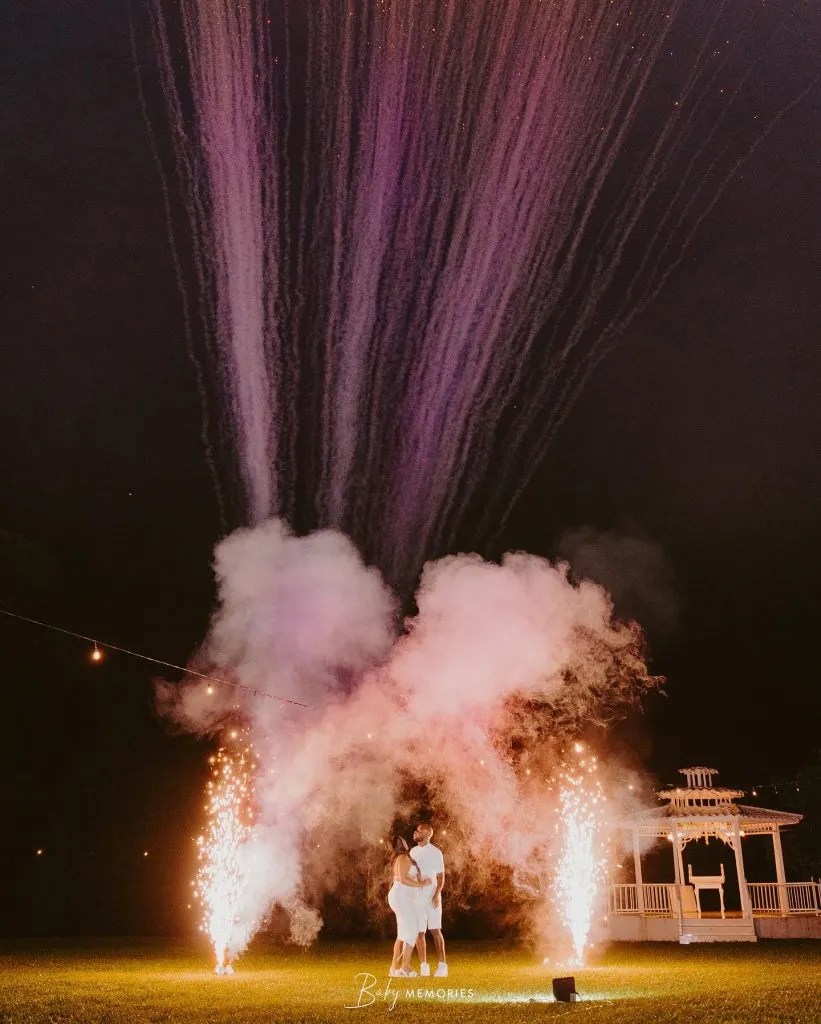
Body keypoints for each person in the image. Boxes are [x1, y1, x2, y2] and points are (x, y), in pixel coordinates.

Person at [387, 836, 431, 978]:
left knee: (403, 933)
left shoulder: (404, 858)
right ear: (402, 844)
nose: (407, 841)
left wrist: (421, 881)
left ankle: (394, 969)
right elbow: (404, 879)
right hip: (400, 897)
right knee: (412, 928)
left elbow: (405, 878)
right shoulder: (402, 858)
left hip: (401, 897)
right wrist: (421, 884)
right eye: (404, 840)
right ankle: (404, 967)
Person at [411, 823, 447, 977]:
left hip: (431, 895)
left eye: (419, 831)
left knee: (435, 930)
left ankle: (442, 967)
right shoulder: (412, 851)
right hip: (417, 896)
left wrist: (437, 894)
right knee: (419, 931)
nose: (415, 832)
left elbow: (441, 877)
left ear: (426, 834)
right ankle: (423, 966)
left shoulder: (436, 852)